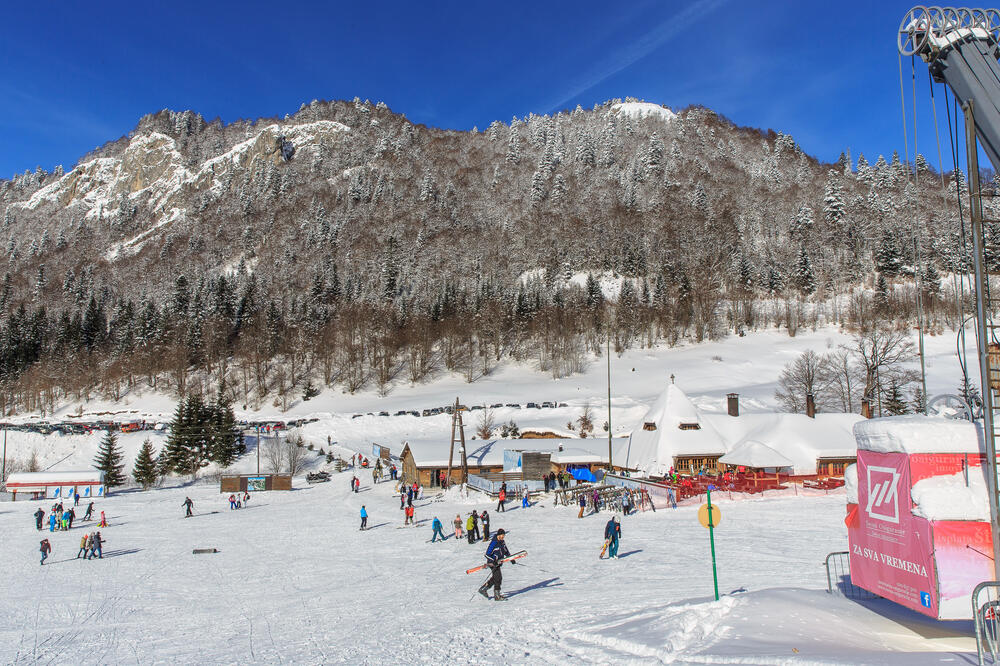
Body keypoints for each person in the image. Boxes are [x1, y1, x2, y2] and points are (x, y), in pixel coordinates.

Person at [478, 528, 513, 600]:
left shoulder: (502, 542)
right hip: (492, 563)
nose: (503, 537)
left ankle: (483, 589)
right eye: (502, 535)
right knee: (498, 578)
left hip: (498, 563)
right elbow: (487, 554)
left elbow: (506, 551)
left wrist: (511, 558)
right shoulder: (493, 542)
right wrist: (493, 560)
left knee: (495, 577)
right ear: (498, 535)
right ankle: (497, 596)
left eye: (504, 536)